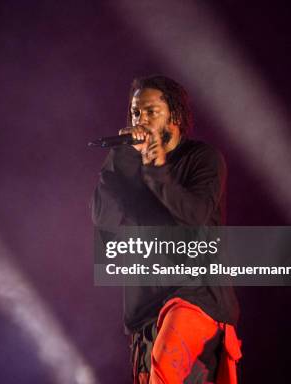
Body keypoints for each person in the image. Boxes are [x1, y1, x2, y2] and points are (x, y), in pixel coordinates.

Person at [91, 75, 242, 384]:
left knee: (166, 368)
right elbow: (103, 219)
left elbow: (195, 215)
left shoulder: (202, 159)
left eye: (150, 112)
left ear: (173, 116)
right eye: (135, 112)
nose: (140, 120)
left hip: (194, 297)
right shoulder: (124, 161)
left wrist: (157, 171)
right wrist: (120, 158)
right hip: (144, 310)